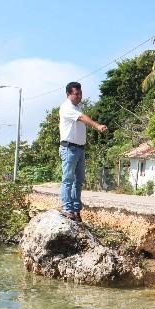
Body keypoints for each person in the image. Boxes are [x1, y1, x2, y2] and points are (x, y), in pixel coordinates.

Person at [59, 81, 108, 222]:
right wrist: (97, 126)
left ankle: (75, 210)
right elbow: (82, 118)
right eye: (76, 94)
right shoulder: (66, 108)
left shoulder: (77, 106)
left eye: (81, 94)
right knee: (68, 180)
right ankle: (67, 208)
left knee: (78, 181)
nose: (79, 96)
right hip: (69, 148)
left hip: (79, 149)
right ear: (68, 94)